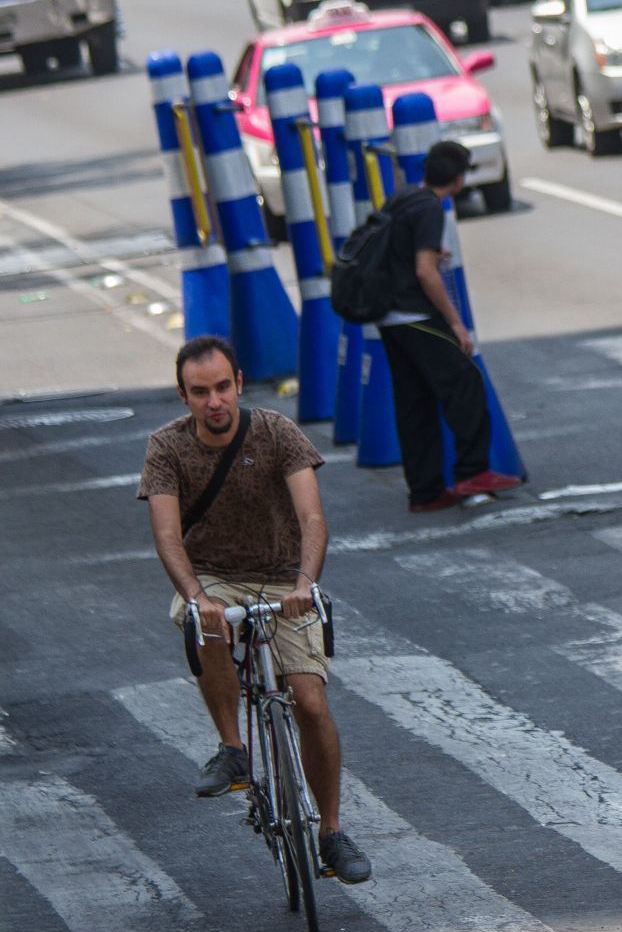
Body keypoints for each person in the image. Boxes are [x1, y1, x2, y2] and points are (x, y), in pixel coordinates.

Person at [139, 336, 371, 884]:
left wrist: (304, 582)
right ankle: (233, 747)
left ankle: (331, 832)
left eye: (223, 387)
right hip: (215, 576)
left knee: (311, 703)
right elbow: (168, 536)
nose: (214, 401)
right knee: (204, 623)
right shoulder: (166, 448)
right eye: (200, 392)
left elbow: (313, 519)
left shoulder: (275, 432)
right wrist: (198, 595)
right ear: (183, 395)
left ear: (239, 383)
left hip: (283, 577)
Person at [377, 140, 522, 512]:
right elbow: (425, 272)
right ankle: (472, 470)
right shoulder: (431, 209)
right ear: (458, 179)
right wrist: (456, 324)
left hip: (387, 316)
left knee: (415, 403)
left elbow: (403, 252)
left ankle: (424, 492)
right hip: (414, 315)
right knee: (466, 382)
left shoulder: (404, 198)